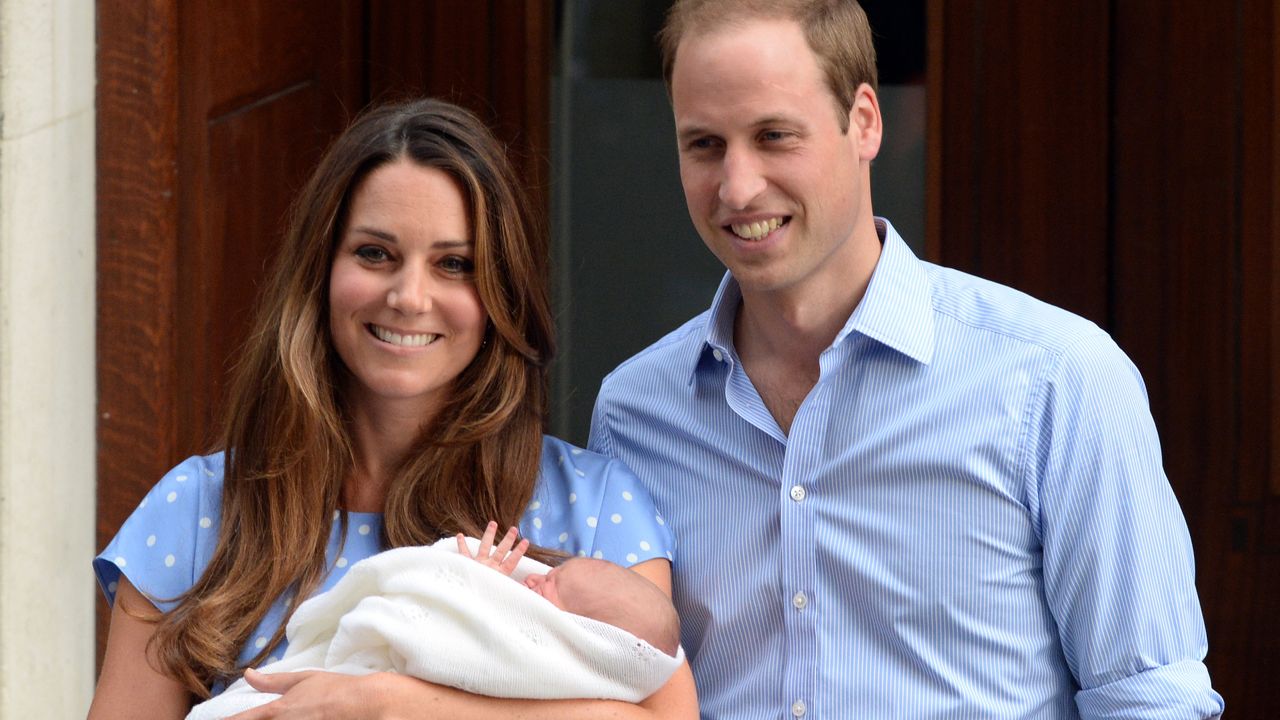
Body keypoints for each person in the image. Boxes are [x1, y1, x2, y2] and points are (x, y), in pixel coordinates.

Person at [587, 1, 1224, 718]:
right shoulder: (636, 412)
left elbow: (1148, 700)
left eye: (773, 136)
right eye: (704, 145)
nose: (737, 187)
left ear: (864, 120)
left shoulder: (1055, 380)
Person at [89, 97, 697, 719]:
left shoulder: (593, 508)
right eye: (375, 253)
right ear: (321, 270)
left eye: (454, 265)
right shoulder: (195, 511)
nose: (409, 297)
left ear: (501, 297)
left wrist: (386, 704)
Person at [186, 524, 684, 720]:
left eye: (555, 588)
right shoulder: (197, 506)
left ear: (587, 637)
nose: (535, 583)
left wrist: (383, 701)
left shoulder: (606, 508)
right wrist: (474, 582)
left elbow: (454, 643)